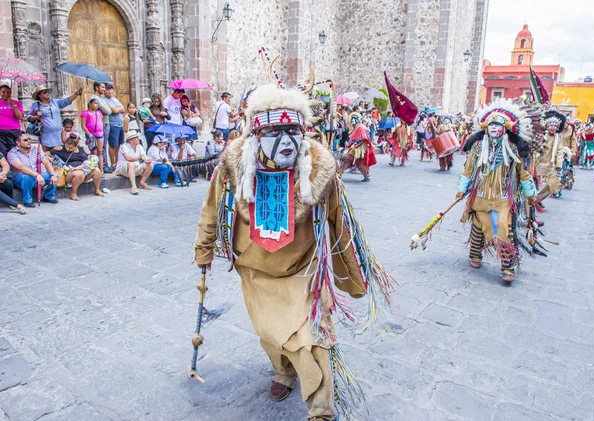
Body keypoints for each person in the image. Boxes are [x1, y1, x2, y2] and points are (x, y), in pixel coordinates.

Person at [194, 84, 393, 421]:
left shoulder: (319, 170)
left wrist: (352, 273)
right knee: (270, 332)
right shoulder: (232, 166)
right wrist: (204, 251)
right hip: (254, 270)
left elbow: (337, 225)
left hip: (304, 271)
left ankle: (321, 408)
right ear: (256, 134)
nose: (286, 141)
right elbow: (212, 211)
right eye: (274, 131)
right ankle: (283, 371)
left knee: (312, 338)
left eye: (293, 131)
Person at [457, 99, 537, 283]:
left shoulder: (513, 148)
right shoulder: (478, 147)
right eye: (490, 124)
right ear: (485, 128)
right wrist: (462, 189)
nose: (493, 128)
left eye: (498, 124)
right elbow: (469, 169)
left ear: (505, 128)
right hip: (481, 195)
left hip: (503, 197)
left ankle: (507, 266)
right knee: (479, 226)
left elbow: (523, 173)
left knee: (504, 229)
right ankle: (475, 254)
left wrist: (530, 194)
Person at [7, 132, 59, 207]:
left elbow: (45, 161)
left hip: (37, 175)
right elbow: (21, 167)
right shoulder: (12, 153)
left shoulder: (36, 148)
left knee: (55, 176)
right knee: (25, 178)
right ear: (18, 143)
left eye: (29, 139)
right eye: (25, 140)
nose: (29, 141)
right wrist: (37, 175)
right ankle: (27, 200)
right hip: (21, 178)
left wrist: (53, 174)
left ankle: (49, 196)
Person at [27, 85, 82, 151]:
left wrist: (76, 93)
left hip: (58, 135)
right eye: (44, 92)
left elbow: (67, 100)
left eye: (48, 91)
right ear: (39, 95)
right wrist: (36, 116)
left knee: (58, 155)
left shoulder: (55, 102)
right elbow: (28, 117)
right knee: (47, 155)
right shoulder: (36, 105)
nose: (47, 93)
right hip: (46, 135)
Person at [50, 134, 104, 201]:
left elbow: (89, 158)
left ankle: (97, 189)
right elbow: (47, 154)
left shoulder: (82, 149)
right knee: (79, 173)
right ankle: (73, 193)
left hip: (84, 171)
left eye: (71, 148)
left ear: (76, 146)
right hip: (69, 173)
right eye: (67, 146)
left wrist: (91, 163)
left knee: (97, 171)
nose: (68, 149)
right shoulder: (60, 148)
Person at [535, 111, 565, 202]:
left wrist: (559, 164)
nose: (552, 128)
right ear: (547, 126)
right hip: (538, 163)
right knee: (536, 183)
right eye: (550, 126)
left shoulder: (558, 138)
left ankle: (538, 200)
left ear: (557, 127)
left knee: (553, 185)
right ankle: (533, 200)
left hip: (550, 164)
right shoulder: (541, 136)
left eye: (555, 126)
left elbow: (560, 151)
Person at [116, 131, 153, 195]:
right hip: (123, 169)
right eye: (136, 138)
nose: (139, 139)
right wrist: (141, 158)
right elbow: (128, 158)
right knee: (131, 164)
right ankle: (133, 187)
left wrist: (148, 159)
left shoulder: (139, 146)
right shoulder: (124, 146)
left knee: (150, 164)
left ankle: (142, 183)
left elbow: (144, 156)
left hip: (134, 167)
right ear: (130, 140)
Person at [89, 81, 112, 173]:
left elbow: (108, 111)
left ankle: (104, 165)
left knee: (104, 146)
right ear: (96, 88)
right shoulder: (95, 98)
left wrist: (107, 110)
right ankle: (103, 166)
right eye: (102, 87)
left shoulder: (101, 98)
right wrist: (107, 110)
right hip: (100, 124)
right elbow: (108, 111)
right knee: (100, 147)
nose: (104, 89)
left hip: (105, 123)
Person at [80, 97, 105, 173]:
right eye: (94, 103)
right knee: (93, 152)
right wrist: (89, 134)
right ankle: (93, 169)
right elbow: (83, 125)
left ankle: (101, 170)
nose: (96, 105)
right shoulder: (85, 113)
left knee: (100, 151)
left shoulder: (99, 113)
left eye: (97, 103)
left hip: (100, 133)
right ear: (89, 104)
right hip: (91, 134)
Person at [104, 84, 125, 171]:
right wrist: (118, 109)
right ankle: (113, 162)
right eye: (107, 89)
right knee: (112, 145)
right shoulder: (105, 100)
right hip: (113, 125)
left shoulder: (115, 99)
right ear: (104, 91)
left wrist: (118, 109)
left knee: (119, 144)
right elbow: (115, 111)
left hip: (120, 125)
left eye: (111, 89)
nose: (110, 91)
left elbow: (123, 109)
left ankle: (117, 161)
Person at [0, 84, 24, 157]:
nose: (5, 94)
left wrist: (13, 105)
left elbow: (20, 117)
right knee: (2, 151)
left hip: (13, 131)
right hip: (1, 131)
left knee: (13, 151)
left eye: (8, 92)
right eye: (3, 92)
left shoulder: (16, 103)